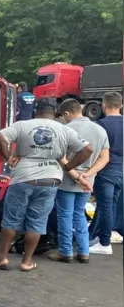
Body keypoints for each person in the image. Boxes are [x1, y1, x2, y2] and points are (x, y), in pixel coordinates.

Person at [0, 102, 92, 272]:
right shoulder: (64, 129)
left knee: (12, 219)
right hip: (50, 179)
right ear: (55, 114)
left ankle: (2, 258)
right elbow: (87, 149)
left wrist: (8, 157)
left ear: (36, 112)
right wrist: (68, 167)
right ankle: (26, 262)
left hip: (23, 178)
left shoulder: (23, 125)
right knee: (37, 222)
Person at [48, 99, 109, 263]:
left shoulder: (64, 129)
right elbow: (104, 158)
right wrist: (87, 175)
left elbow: (60, 156)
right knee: (79, 215)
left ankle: (65, 251)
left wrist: (75, 174)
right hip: (88, 182)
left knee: (65, 215)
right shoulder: (100, 129)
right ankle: (83, 251)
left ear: (67, 113)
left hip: (67, 180)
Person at [87, 92, 123, 255]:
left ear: (103, 105)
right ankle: (99, 237)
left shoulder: (100, 125)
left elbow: (94, 149)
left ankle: (104, 242)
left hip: (106, 170)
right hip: (120, 170)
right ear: (120, 105)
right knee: (112, 206)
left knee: (105, 206)